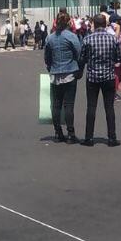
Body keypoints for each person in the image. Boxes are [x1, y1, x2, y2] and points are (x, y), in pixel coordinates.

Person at [80, 13, 121, 146]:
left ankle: (88, 137)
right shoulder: (113, 39)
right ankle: (112, 138)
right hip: (109, 76)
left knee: (91, 107)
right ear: (105, 24)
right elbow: (119, 58)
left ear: (94, 24)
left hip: (92, 77)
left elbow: (82, 58)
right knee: (109, 107)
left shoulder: (87, 39)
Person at [44, 11, 84, 143]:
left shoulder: (50, 38)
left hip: (55, 74)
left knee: (56, 105)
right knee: (68, 105)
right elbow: (79, 54)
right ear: (68, 22)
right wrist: (79, 69)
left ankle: (57, 132)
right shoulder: (72, 37)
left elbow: (47, 58)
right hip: (70, 72)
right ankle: (71, 134)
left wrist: (51, 67)